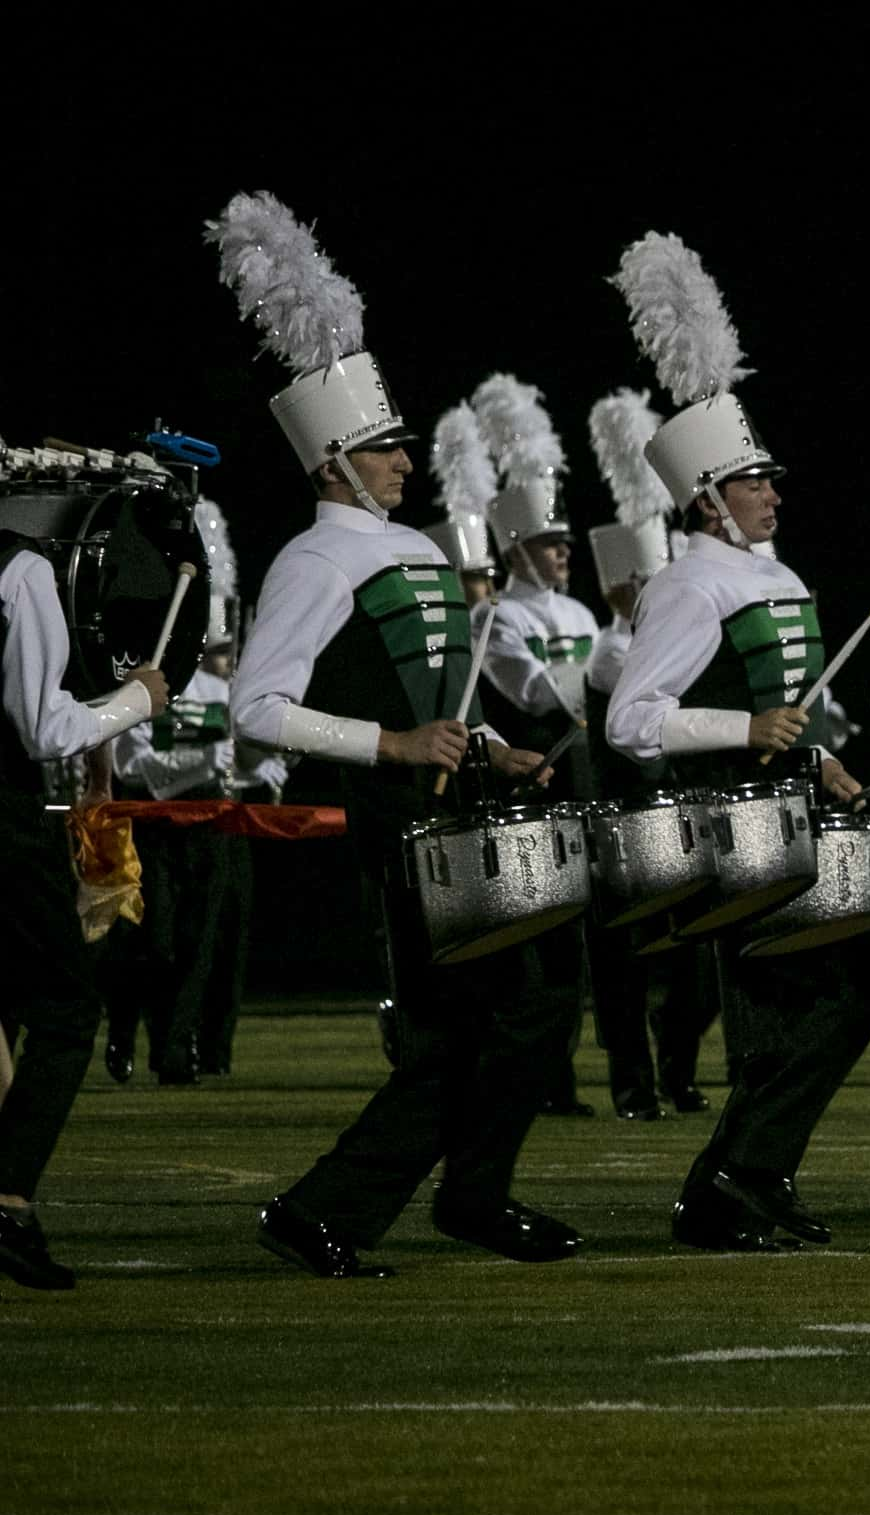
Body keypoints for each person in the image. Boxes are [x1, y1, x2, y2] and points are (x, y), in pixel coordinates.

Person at [215, 191, 576, 1278]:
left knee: (514, 1011)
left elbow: (430, 697)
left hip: (450, 804)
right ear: (334, 464)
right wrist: (395, 749)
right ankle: (343, 1207)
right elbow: (256, 707)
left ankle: (461, 1194)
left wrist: (477, 742)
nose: (404, 465)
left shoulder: (405, 552)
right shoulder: (313, 560)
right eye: (384, 451)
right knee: (487, 1016)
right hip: (396, 820)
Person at [607, 230, 870, 1252]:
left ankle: (739, 1177)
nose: (775, 491)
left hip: (790, 809)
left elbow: (785, 709)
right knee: (805, 1001)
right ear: (707, 496)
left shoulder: (780, 576)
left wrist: (818, 755)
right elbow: (630, 719)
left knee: (832, 993)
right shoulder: (688, 583)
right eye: (756, 479)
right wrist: (749, 728)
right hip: (725, 829)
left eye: (771, 477)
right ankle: (733, 1180)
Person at [0, 446, 170, 1290]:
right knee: (66, 1011)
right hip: (0, 821)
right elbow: (43, 729)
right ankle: (8, 1202)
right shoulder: (21, 571)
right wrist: (139, 697)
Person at [472, 376, 603, 1121]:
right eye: (550, 543)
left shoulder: (581, 609)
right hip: (532, 781)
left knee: (578, 943)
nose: (563, 553)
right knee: (542, 941)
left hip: (584, 777)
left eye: (563, 541)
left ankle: (563, 1075)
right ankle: (536, 1074)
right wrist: (611, 673)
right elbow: (530, 694)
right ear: (517, 546)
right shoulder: (494, 618)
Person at [103, 505, 267, 1087]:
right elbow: (135, 763)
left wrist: (260, 757)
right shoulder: (151, 682)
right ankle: (125, 1034)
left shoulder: (228, 691)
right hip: (153, 828)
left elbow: (253, 766)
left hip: (210, 827)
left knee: (200, 943)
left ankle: (177, 1052)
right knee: (155, 943)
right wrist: (204, 757)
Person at [583, 388, 712, 1120]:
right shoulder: (608, 650)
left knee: (697, 964)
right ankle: (633, 1083)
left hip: (681, 818)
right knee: (626, 963)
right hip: (622, 822)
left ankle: (681, 1067)